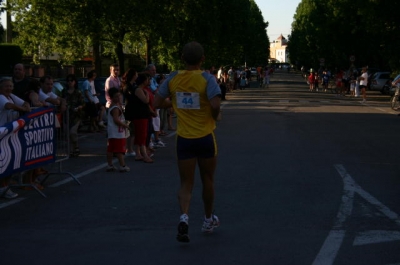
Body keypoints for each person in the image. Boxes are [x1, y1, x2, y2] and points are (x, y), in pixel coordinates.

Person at [155, 41, 221, 243]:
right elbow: (216, 103)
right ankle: (208, 219)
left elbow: (157, 102)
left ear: (182, 58)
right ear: (203, 59)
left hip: (184, 139)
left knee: (186, 183)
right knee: (207, 180)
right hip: (205, 136)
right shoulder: (207, 79)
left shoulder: (173, 78)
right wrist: (212, 114)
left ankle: (184, 217)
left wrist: (172, 102)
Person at [0, 78, 31, 199]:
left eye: (10, 86)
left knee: (11, 161)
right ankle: (3, 188)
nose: (9, 89)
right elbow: (8, 106)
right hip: (2, 134)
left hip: (10, 134)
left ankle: (5, 186)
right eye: (6, 86)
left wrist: (26, 105)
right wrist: (23, 109)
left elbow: (24, 103)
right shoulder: (1, 97)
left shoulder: (10, 96)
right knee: (5, 162)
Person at [132, 72, 155, 163]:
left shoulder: (142, 89)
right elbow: (145, 101)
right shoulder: (139, 90)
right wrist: (146, 94)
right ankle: (144, 154)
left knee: (141, 134)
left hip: (143, 114)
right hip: (140, 115)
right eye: (147, 79)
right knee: (142, 134)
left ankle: (138, 153)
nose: (148, 81)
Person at [106, 87, 130, 172]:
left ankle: (110, 165)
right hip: (117, 132)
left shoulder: (114, 106)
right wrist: (125, 125)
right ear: (112, 97)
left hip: (112, 132)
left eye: (119, 96)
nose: (118, 98)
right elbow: (116, 120)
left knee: (111, 148)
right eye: (116, 96)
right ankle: (122, 165)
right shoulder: (115, 108)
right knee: (119, 150)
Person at [62, 74, 85, 157]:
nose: (69, 82)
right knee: (67, 133)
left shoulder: (78, 92)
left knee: (73, 132)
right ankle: (71, 149)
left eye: (71, 80)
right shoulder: (64, 91)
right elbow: (61, 101)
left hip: (76, 115)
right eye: (68, 81)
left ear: (75, 82)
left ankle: (76, 146)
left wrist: (79, 107)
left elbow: (82, 103)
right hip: (66, 115)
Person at [146, 64, 166, 148]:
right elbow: (154, 90)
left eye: (155, 70)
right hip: (151, 103)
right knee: (151, 123)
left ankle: (156, 139)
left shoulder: (153, 79)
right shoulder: (147, 80)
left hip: (155, 102)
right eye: (152, 70)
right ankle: (150, 140)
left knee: (157, 121)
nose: (154, 72)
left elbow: (157, 89)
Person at [121, 68, 138, 156]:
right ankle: (129, 149)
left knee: (132, 130)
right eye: (136, 74)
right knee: (130, 130)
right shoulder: (128, 86)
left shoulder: (133, 85)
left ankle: (129, 148)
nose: (137, 76)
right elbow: (130, 98)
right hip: (129, 109)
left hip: (132, 109)